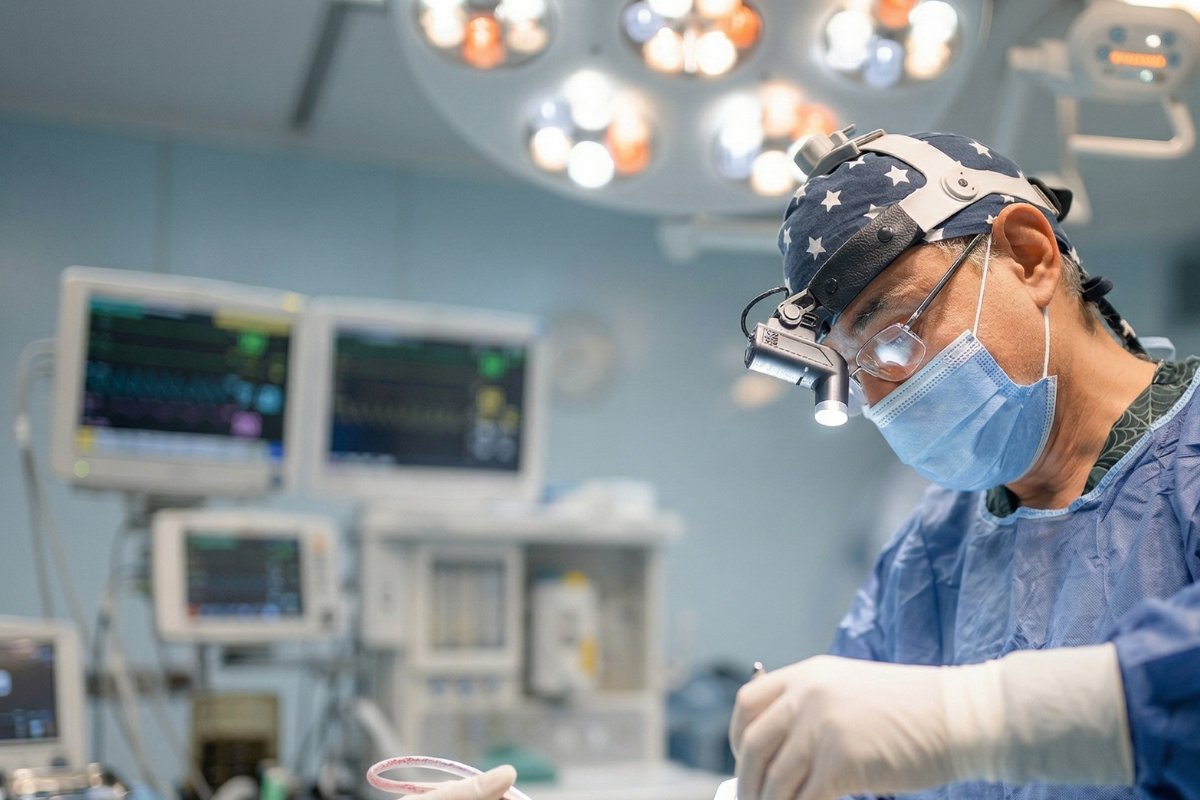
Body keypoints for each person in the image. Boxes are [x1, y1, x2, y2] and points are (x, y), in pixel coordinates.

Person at [728, 130, 1200, 800]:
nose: (880, 400)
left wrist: (980, 719)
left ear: (1029, 257)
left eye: (892, 337)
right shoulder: (934, 549)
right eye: (854, 368)